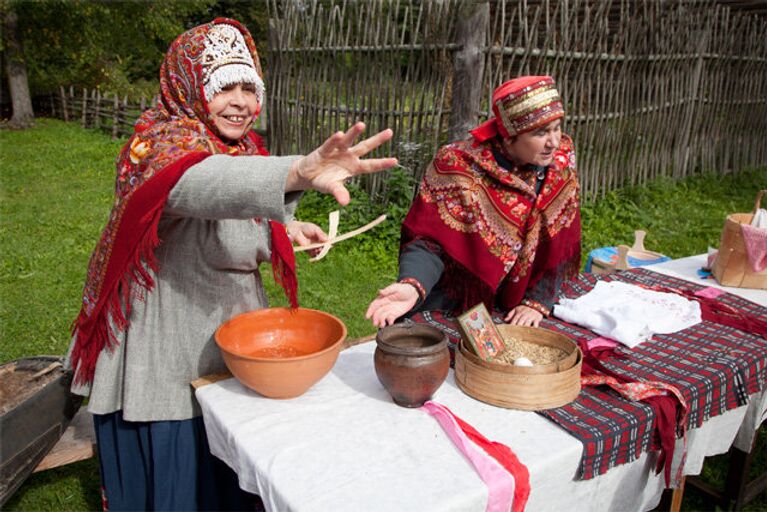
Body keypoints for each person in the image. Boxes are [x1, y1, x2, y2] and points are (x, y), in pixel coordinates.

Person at [66, 18, 397, 511]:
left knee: (236, 431)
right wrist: (296, 171)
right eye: (224, 88)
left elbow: (234, 203)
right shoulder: (157, 145)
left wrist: (284, 228)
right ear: (189, 86)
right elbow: (200, 185)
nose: (241, 102)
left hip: (234, 317)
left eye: (248, 87)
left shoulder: (241, 148)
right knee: (184, 438)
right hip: (172, 327)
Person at [367, 76, 580, 329]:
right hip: (455, 300)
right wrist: (413, 285)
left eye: (556, 127)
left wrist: (538, 300)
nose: (554, 142)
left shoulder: (560, 164)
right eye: (540, 132)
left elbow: (562, 240)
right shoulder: (457, 166)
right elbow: (429, 240)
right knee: (427, 358)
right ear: (509, 136)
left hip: (518, 306)